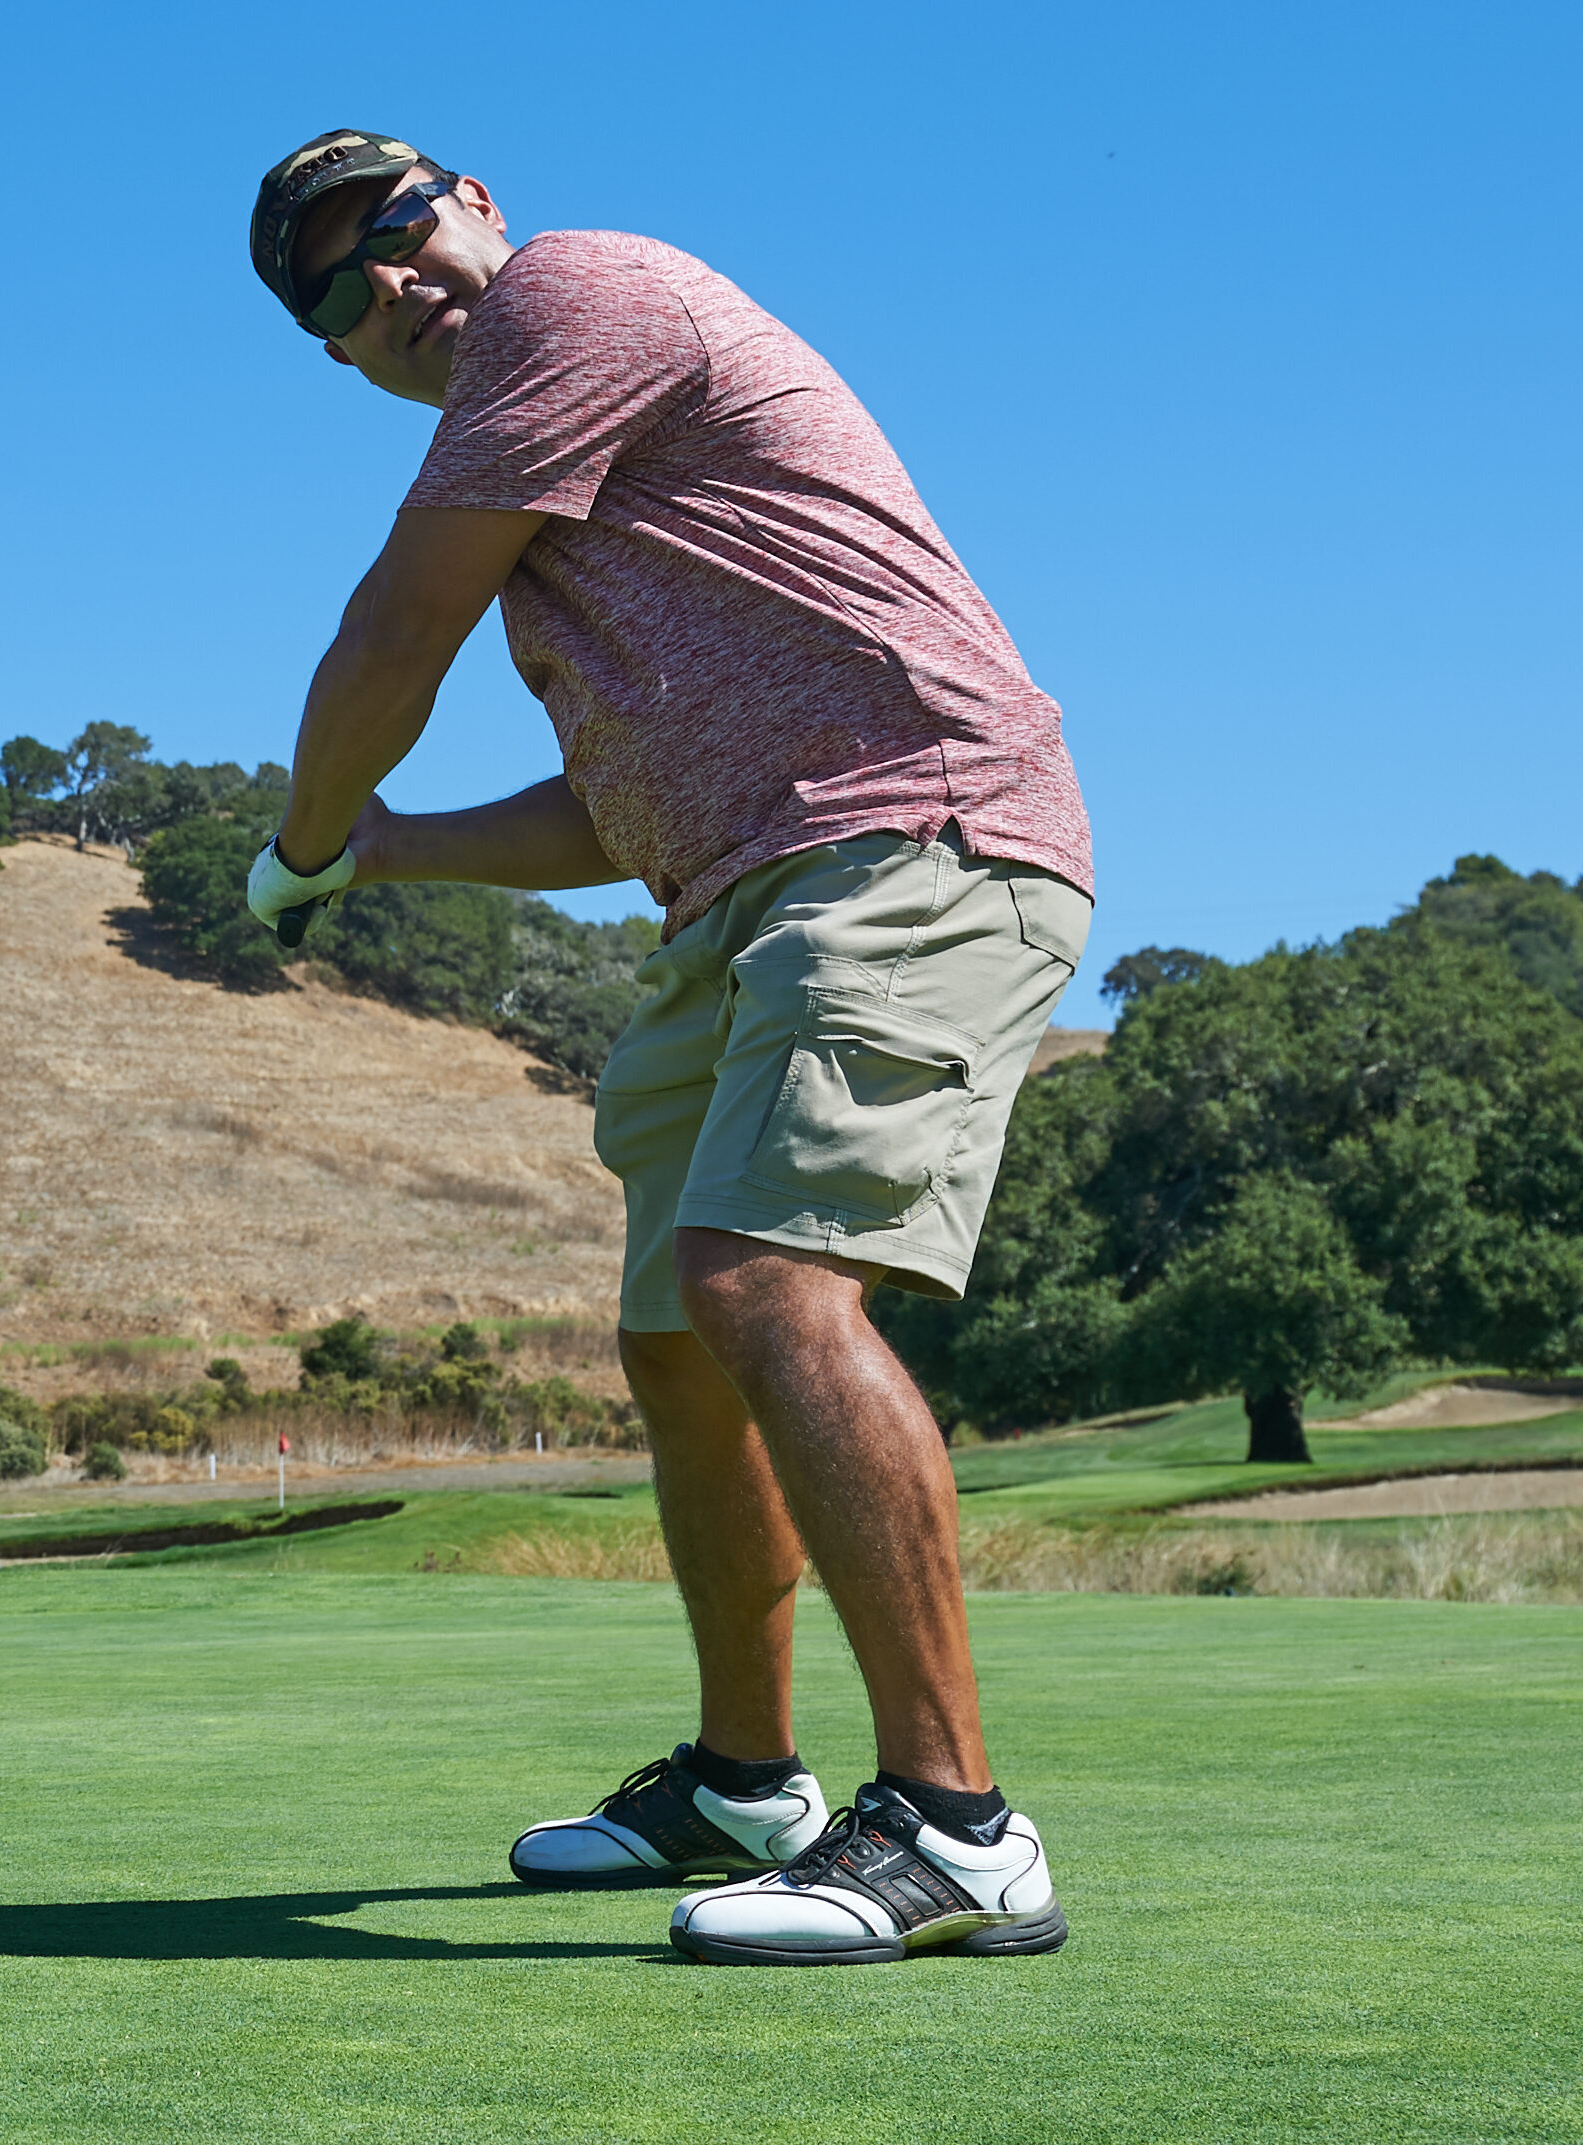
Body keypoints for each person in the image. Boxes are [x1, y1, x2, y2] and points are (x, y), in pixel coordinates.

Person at [238, 132, 1093, 1965]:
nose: (392, 280)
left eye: (397, 225)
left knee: (768, 1283)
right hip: (731, 889)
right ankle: (743, 1778)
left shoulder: (583, 290)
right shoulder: (554, 513)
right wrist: (389, 850)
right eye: (340, 285)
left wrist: (308, 834)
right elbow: (614, 813)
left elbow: (396, 632)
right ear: (333, 351)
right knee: (674, 1337)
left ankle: (958, 1826)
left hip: (910, 837)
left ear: (472, 203)